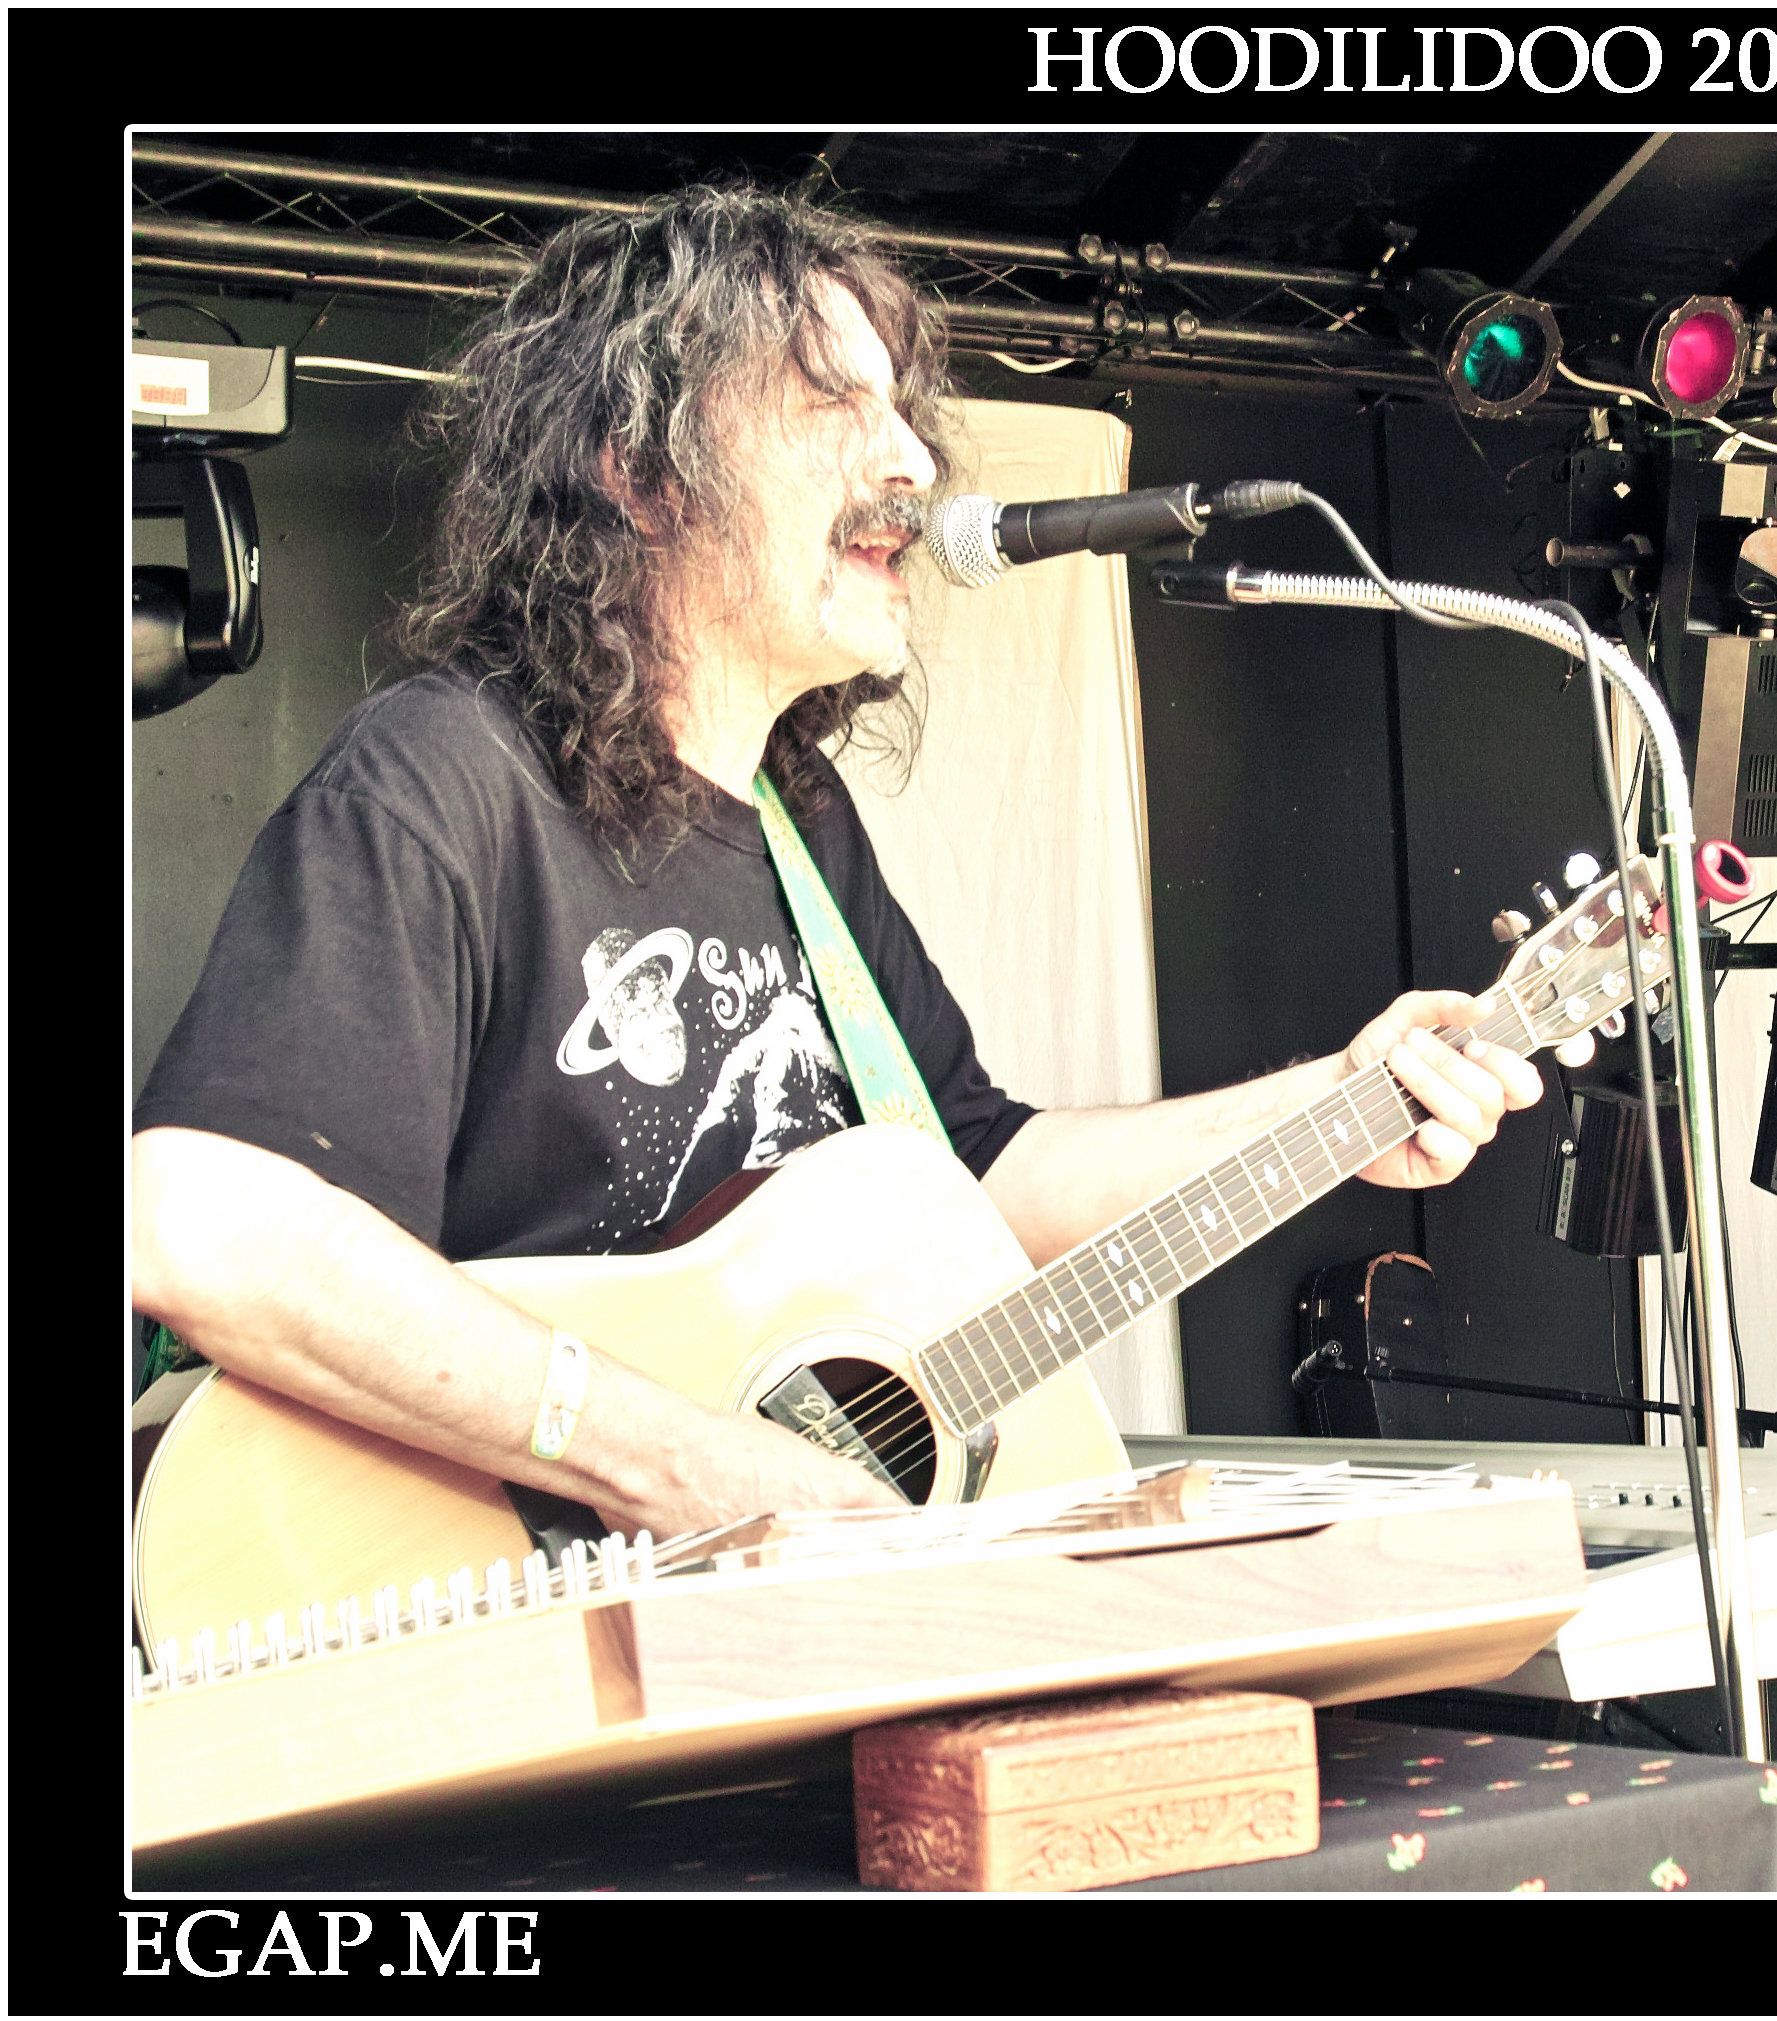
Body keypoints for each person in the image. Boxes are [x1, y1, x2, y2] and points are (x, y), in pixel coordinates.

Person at [129, 186, 1542, 1545]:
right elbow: (203, 1223)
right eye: (834, 403)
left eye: (903, 410)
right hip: (486, 1613)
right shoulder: (448, 776)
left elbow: (982, 1180)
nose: (915, 462)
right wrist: (675, 1460)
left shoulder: (798, 819)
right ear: (641, 473)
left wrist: (1337, 1104)